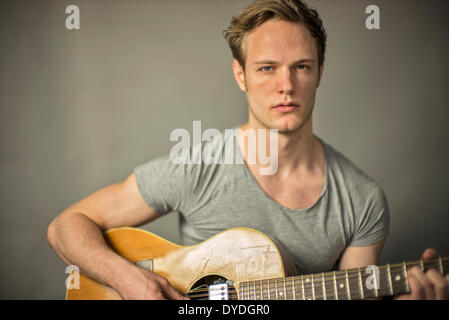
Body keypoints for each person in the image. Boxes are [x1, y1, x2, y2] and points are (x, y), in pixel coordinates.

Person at [47, 0, 449, 300]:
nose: (286, 85)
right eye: (267, 68)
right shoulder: (199, 165)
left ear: (320, 72)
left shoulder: (362, 202)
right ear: (241, 75)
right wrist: (129, 280)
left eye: (302, 67)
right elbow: (66, 225)